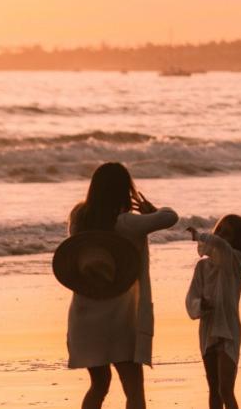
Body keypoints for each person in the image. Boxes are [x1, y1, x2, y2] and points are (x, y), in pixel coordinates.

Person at [66, 162, 179, 409]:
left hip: (85, 314)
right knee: (134, 390)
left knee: (99, 385)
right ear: (124, 189)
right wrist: (151, 210)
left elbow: (73, 253)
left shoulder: (79, 217)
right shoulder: (128, 222)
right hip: (119, 319)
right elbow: (171, 217)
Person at [186, 216, 241, 409]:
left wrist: (199, 236)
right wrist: (200, 305)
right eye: (220, 230)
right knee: (213, 389)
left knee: (226, 389)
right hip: (207, 329)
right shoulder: (202, 267)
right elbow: (191, 297)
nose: (221, 235)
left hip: (228, 330)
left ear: (237, 239)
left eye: (227, 233)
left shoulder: (235, 260)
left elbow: (221, 247)